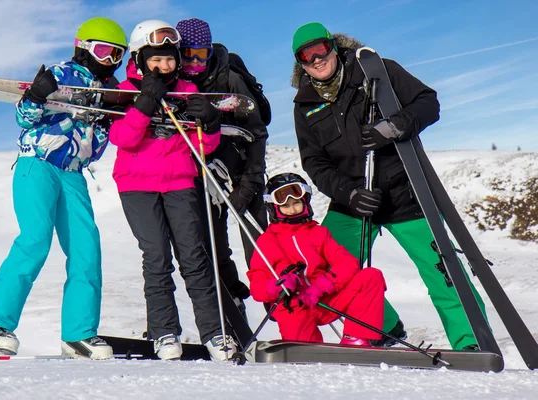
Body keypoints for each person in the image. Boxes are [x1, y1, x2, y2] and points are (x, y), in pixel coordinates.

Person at [290, 22, 488, 350]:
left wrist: (393, 127)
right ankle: (382, 326)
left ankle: (471, 344)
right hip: (353, 202)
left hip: (404, 193)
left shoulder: (376, 70)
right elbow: (315, 163)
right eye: (306, 56)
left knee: (443, 270)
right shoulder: (305, 105)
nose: (316, 59)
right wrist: (349, 194)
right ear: (301, 62)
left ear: (333, 46)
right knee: (323, 269)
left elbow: (427, 102)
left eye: (320, 49)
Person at [0, 17, 128, 359]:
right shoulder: (61, 73)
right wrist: (35, 95)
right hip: (37, 163)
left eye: (117, 55)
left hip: (73, 173)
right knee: (35, 240)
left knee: (87, 250)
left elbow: (95, 148)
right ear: (83, 47)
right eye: (103, 52)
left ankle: (78, 334)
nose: (109, 61)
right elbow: (24, 118)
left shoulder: (108, 93)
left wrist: (104, 122)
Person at [109, 19, 237, 361]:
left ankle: (215, 334)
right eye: (156, 58)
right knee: (157, 258)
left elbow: (204, 147)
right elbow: (122, 138)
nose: (164, 65)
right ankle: (165, 333)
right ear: (139, 59)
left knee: (194, 258)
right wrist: (144, 104)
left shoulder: (187, 90)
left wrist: (209, 122)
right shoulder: (123, 92)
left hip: (180, 181)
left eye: (169, 58)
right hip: (137, 185)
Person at [175, 18, 270, 314]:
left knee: (260, 248)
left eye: (201, 54)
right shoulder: (175, 81)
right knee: (212, 244)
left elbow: (257, 132)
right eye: (187, 54)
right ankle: (232, 303)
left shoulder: (228, 77)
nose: (194, 62)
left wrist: (250, 184)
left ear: (210, 53)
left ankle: (280, 311)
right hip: (205, 175)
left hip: (242, 172)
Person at [247, 173, 385, 344]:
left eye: (296, 202)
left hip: (323, 300)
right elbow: (256, 286)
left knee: (371, 276)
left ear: (305, 202)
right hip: (294, 307)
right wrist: (277, 285)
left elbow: (348, 263)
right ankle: (310, 350)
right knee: (304, 351)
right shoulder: (267, 241)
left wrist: (322, 286)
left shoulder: (318, 233)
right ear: (274, 208)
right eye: (286, 205)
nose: (292, 209)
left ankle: (356, 339)